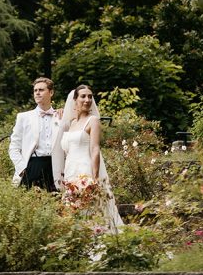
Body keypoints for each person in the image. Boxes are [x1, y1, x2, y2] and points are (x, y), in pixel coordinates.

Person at [59, 84, 123, 232]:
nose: (87, 100)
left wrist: (94, 179)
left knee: (89, 209)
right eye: (83, 96)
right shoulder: (72, 123)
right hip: (70, 172)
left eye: (90, 97)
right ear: (75, 100)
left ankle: (97, 240)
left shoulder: (93, 120)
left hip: (85, 172)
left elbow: (95, 149)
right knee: (73, 210)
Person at [8, 77, 64, 191]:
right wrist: (22, 168)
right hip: (33, 165)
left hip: (56, 167)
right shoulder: (24, 117)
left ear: (51, 92)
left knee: (56, 200)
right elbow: (14, 147)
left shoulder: (60, 116)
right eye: (35, 90)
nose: (37, 93)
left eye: (41, 90)